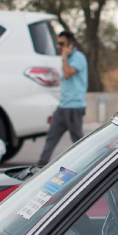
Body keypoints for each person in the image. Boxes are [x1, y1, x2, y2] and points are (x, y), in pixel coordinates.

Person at [37, 29, 90, 164]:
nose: (58, 46)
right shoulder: (67, 59)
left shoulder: (78, 58)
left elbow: (67, 74)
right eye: (58, 43)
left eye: (62, 43)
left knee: (78, 142)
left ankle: (89, 166)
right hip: (62, 107)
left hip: (74, 108)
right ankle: (40, 166)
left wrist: (65, 57)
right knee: (51, 137)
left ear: (70, 44)